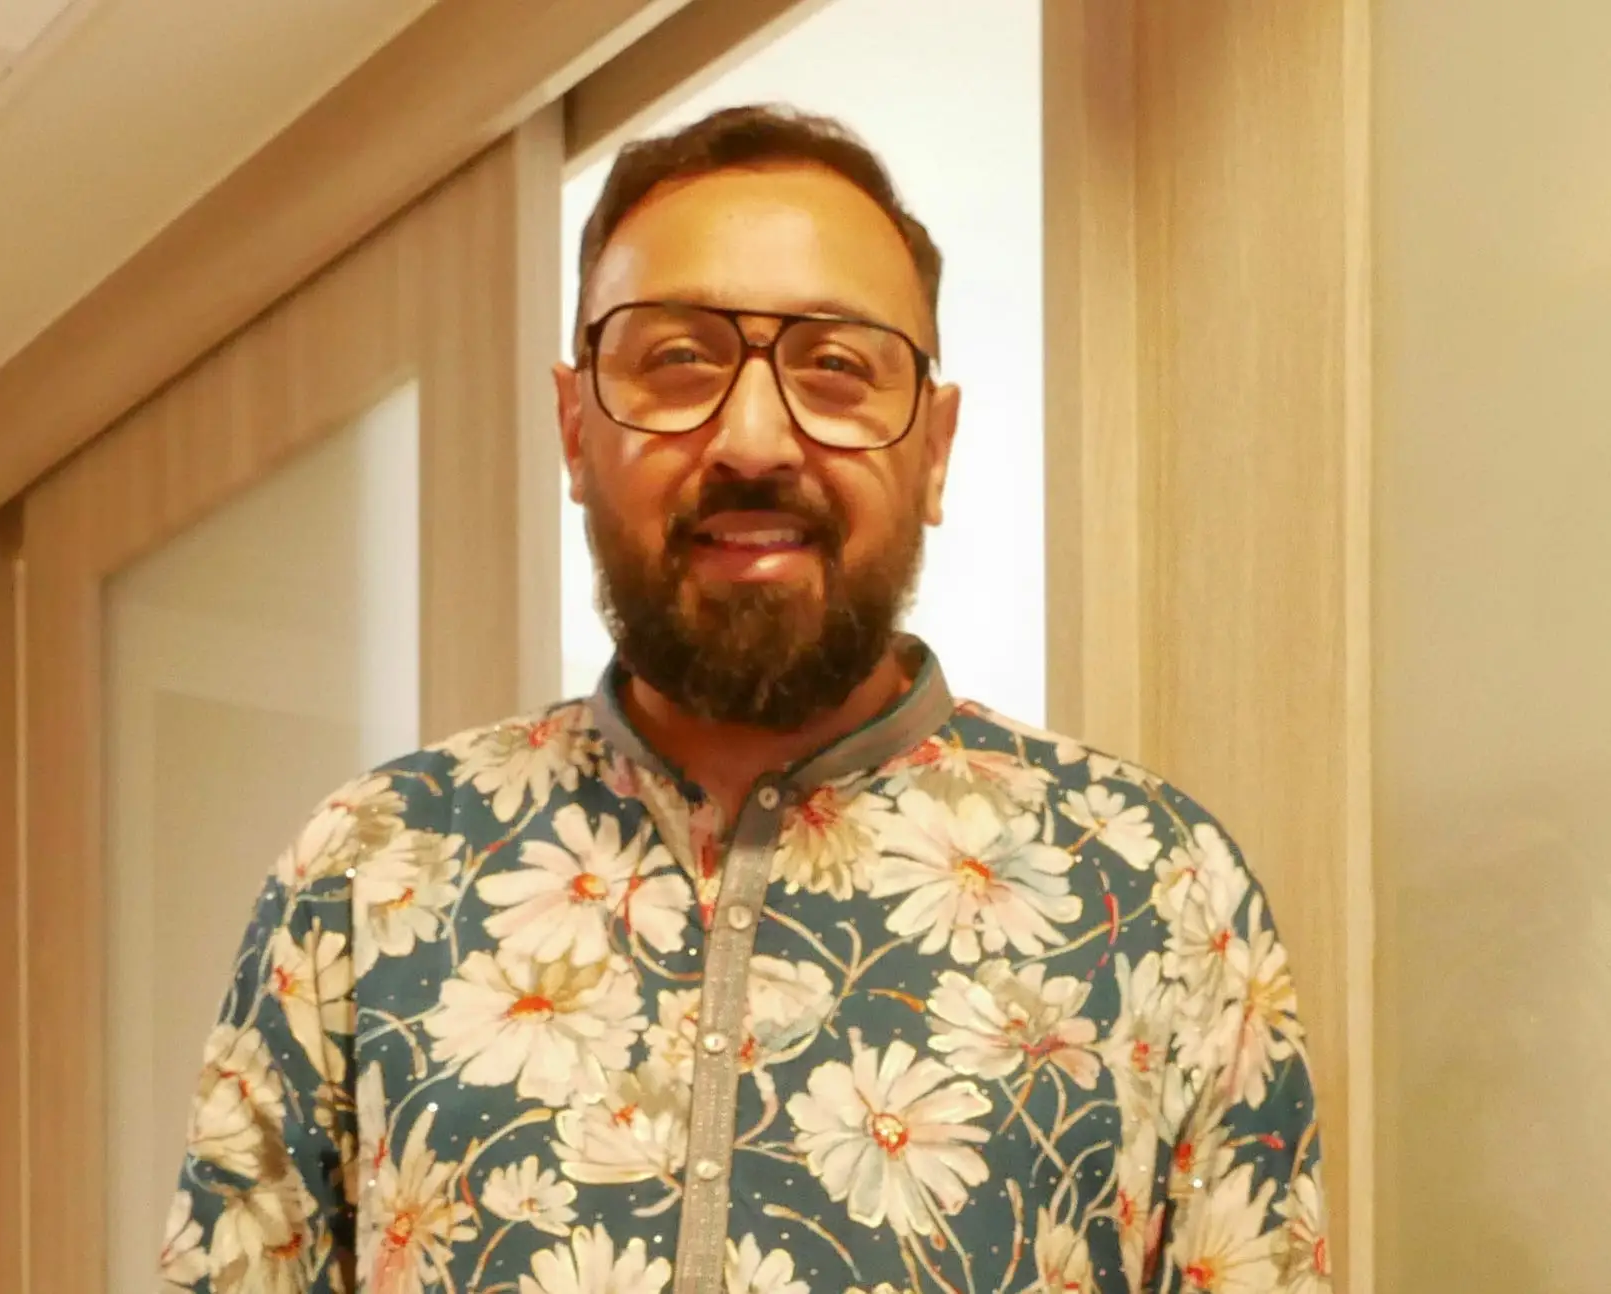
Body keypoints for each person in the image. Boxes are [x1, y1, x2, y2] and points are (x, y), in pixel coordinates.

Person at [159, 104, 1332, 1294]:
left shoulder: (1157, 885)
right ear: (575, 429)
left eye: (837, 366)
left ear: (934, 450)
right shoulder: (371, 866)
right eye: (678, 361)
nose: (756, 438)